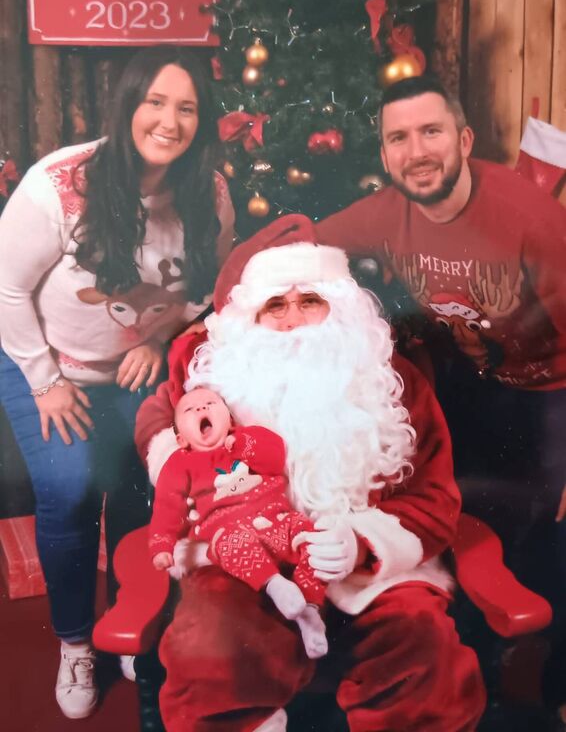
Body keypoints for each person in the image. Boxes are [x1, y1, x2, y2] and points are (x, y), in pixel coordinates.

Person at [135, 214, 486, 732]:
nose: (293, 320)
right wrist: (187, 473)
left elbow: (434, 502)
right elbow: (157, 418)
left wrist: (362, 542)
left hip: (366, 571)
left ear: (339, 309)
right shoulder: (219, 373)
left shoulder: (391, 382)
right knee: (209, 648)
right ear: (250, 317)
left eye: (310, 302)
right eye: (275, 305)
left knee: (423, 649)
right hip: (248, 555)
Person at [0, 45, 235, 720]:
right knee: (71, 487)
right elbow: (7, 289)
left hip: (138, 364)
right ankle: (76, 640)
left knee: (147, 486)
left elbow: (209, 287)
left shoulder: (208, 191)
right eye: (155, 102)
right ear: (128, 104)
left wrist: (162, 338)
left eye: (187, 107)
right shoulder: (59, 184)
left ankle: (137, 618)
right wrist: (45, 381)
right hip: (45, 361)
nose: (170, 120)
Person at [316, 74, 566, 606]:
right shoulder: (384, 213)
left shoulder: (533, 219)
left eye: (432, 132)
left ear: (465, 141)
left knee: (539, 540)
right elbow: (297, 245)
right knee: (452, 519)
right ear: (384, 156)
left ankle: (544, 680)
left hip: (554, 388)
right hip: (472, 380)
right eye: (398, 138)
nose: (417, 152)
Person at [150, 386, 328, 659]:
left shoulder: (249, 438)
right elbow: (167, 505)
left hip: (276, 520)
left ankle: (310, 610)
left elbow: (277, 458)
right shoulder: (179, 463)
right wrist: (163, 545)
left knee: (313, 537)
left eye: (210, 403)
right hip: (228, 531)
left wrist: (244, 444)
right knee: (227, 543)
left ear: (230, 419)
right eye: (190, 409)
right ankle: (275, 585)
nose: (201, 409)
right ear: (181, 439)